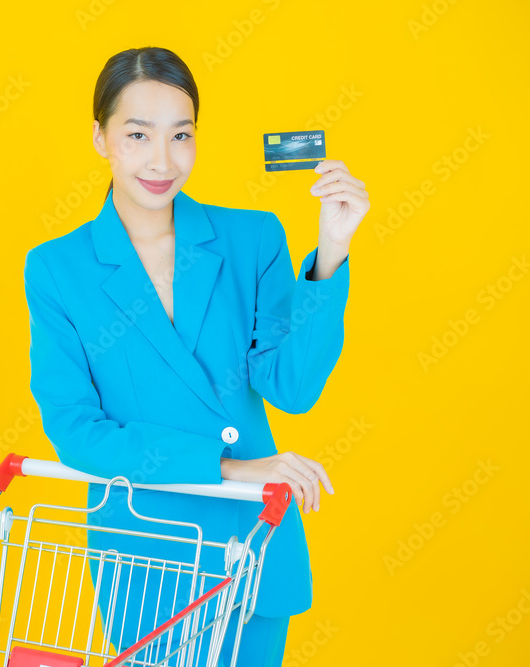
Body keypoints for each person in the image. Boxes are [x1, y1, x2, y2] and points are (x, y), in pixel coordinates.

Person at [22, 47, 369, 666]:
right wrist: (234, 469)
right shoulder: (57, 267)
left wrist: (331, 253)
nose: (162, 161)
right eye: (137, 135)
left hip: (252, 551)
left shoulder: (252, 236)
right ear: (99, 138)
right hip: (148, 555)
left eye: (181, 135)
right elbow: (76, 430)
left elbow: (290, 386)